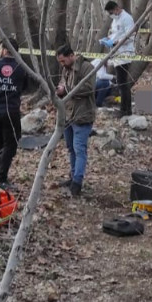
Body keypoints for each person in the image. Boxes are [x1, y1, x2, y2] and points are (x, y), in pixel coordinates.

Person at [0, 38, 36, 189]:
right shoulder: (21, 68)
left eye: (0, 48)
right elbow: (25, 87)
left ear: (6, 50)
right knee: (11, 143)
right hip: (10, 110)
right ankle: (1, 177)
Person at [55, 44, 96, 197]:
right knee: (71, 148)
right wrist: (60, 91)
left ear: (71, 56)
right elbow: (63, 85)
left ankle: (77, 182)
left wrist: (67, 91)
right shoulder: (65, 69)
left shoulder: (87, 68)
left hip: (82, 115)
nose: (62, 64)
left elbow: (89, 88)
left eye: (63, 61)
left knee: (79, 149)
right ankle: (73, 177)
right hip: (68, 115)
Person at [100, 1, 136, 116]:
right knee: (121, 83)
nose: (111, 15)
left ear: (116, 9)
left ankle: (126, 110)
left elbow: (130, 36)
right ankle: (124, 109)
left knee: (122, 83)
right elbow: (116, 33)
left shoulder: (127, 18)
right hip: (116, 53)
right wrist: (108, 39)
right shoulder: (115, 20)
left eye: (111, 12)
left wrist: (116, 43)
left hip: (124, 53)